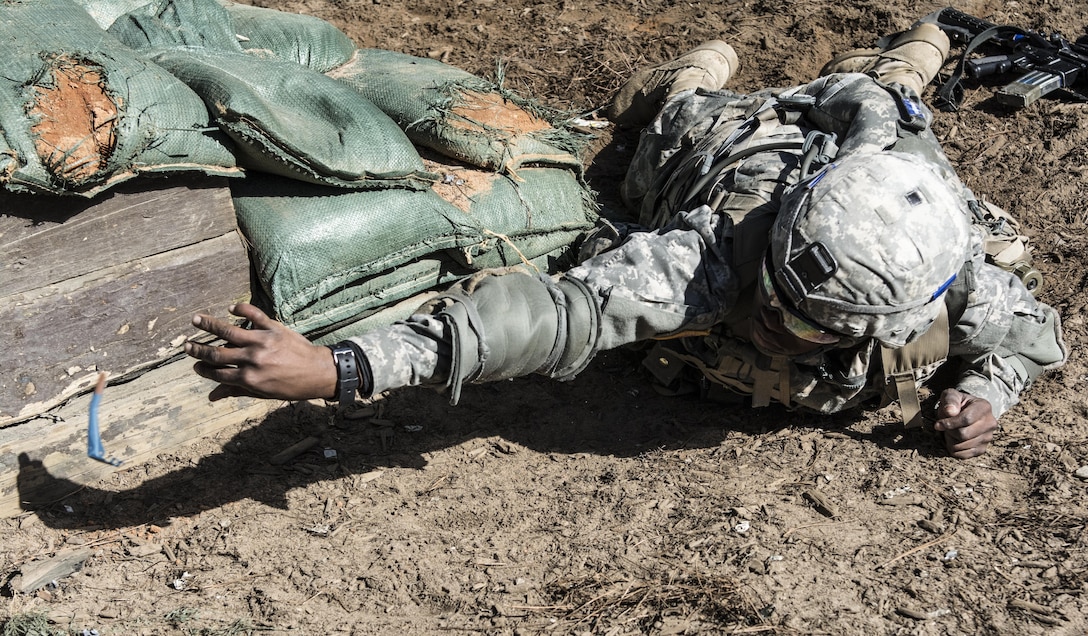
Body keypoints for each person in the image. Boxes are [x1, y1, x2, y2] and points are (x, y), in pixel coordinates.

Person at [184, 23, 1067, 459]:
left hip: (892, 155)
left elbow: (1033, 342)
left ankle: (916, 50)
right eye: (778, 301)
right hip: (724, 141)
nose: (772, 326)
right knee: (676, 113)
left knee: (895, 95)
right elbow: (549, 316)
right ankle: (692, 69)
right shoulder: (712, 259)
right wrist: (342, 370)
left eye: (809, 328)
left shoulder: (953, 277)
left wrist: (987, 394)